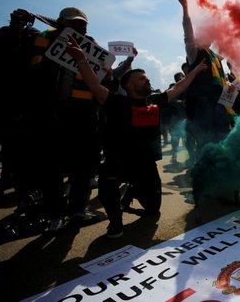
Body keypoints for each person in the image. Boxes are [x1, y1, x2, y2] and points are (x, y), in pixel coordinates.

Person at [65, 34, 207, 238]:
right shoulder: (116, 103)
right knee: (107, 183)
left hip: (146, 164)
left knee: (152, 211)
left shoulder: (155, 101)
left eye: (148, 78)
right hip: (118, 163)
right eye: (142, 78)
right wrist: (80, 59)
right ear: (129, 86)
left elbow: (179, 87)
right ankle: (115, 221)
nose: (147, 80)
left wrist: (194, 72)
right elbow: (95, 86)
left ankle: (130, 193)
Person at [27, 7, 107, 231]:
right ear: (62, 22)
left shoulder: (91, 45)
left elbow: (99, 76)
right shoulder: (45, 37)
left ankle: (78, 211)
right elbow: (35, 70)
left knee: (83, 165)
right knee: (52, 166)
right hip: (53, 112)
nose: (80, 27)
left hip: (85, 113)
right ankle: (55, 214)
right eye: (74, 23)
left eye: (83, 24)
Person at [177, 0, 233, 167]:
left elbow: (231, 47)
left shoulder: (215, 57)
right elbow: (187, 32)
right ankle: (205, 182)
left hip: (219, 106)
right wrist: (185, 7)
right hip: (203, 107)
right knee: (205, 145)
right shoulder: (194, 53)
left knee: (221, 142)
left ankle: (220, 177)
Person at [0, 9, 39, 205]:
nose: (16, 22)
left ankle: (24, 187)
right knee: (9, 143)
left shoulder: (34, 36)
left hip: (27, 96)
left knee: (26, 146)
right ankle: (7, 179)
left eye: (21, 20)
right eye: (13, 18)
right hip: (5, 96)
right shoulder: (4, 33)